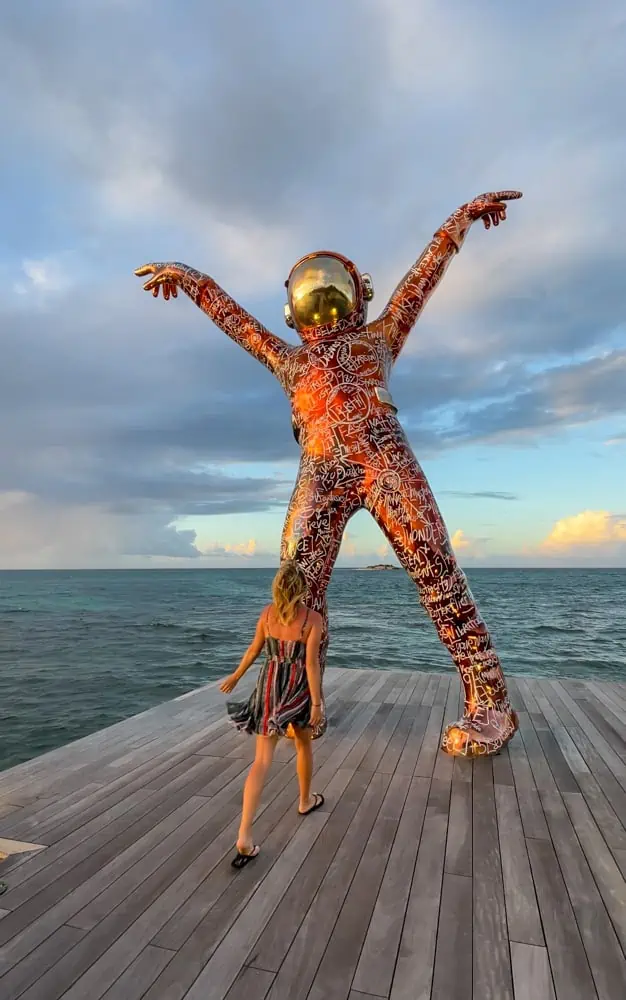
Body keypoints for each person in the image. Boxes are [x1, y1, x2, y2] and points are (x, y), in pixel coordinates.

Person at [219, 560, 325, 868]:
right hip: (298, 689)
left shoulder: (267, 615)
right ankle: (305, 801)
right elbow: (311, 665)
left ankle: (244, 835)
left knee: (261, 761)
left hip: (268, 686)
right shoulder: (312, 620)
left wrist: (237, 676)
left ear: (277, 588)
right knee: (303, 744)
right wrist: (317, 703)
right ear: (301, 589)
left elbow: (254, 650)